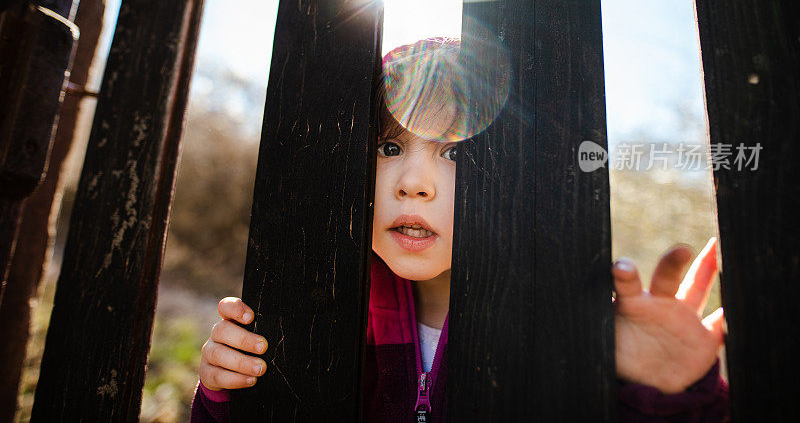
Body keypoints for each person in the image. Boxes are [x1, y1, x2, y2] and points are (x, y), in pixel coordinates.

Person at [190, 38, 730, 422]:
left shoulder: (569, 324)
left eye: (455, 152)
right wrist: (224, 395)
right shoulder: (315, 307)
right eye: (390, 147)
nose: (414, 183)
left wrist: (672, 398)